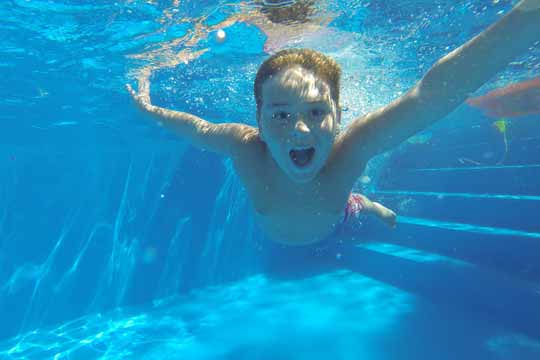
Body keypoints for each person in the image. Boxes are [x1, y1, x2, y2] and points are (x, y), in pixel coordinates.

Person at [127, 0, 540, 245]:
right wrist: (149, 110)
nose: (300, 130)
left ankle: (367, 204)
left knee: (351, 203)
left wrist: (527, 17)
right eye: (281, 115)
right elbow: (195, 127)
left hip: (335, 219)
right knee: (347, 198)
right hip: (323, 214)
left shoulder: (352, 148)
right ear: (258, 118)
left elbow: (428, 97)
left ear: (340, 116)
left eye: (317, 112)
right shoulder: (244, 145)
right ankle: (365, 202)